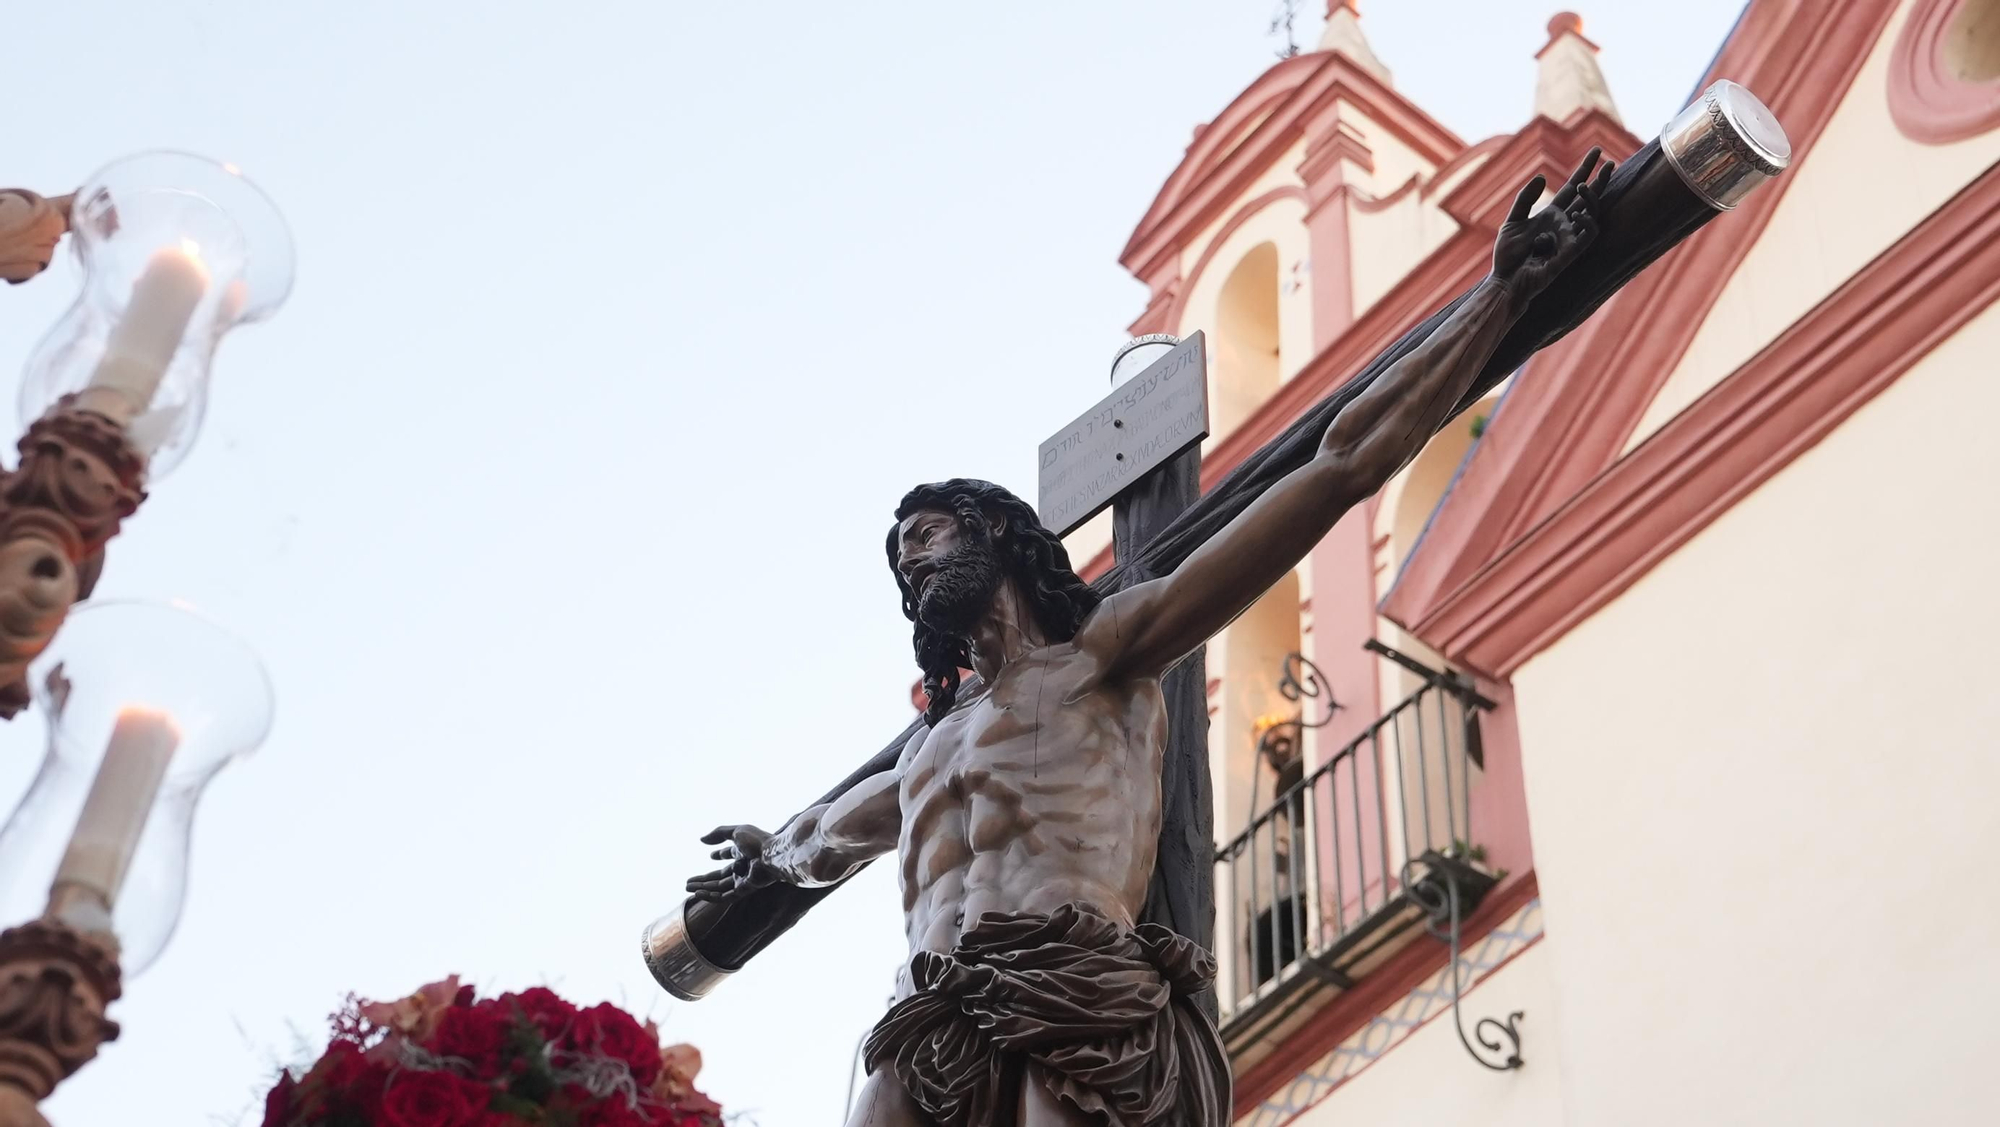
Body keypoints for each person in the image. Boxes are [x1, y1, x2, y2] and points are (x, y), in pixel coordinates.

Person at [689, 150, 1614, 1127]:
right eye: (898, 558)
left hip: (1073, 986)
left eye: (924, 538)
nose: (910, 565)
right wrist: (765, 855)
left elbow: (1341, 465)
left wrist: (1502, 298)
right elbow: (818, 840)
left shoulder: (1103, 652)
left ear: (995, 531)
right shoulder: (923, 749)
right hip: (931, 1020)